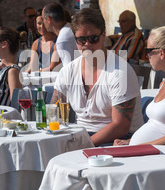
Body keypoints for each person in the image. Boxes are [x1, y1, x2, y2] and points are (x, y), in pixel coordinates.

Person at [51, 8, 144, 146]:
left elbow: (120, 126)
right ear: (75, 40)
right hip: (81, 135)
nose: (87, 44)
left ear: (103, 36)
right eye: (81, 40)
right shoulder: (68, 71)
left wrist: (82, 145)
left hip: (119, 140)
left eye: (93, 38)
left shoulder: (119, 71)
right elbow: (54, 111)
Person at [42, 2, 79, 68]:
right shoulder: (68, 29)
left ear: (49, 19)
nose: (43, 22)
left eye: (43, 19)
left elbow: (69, 70)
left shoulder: (63, 39)